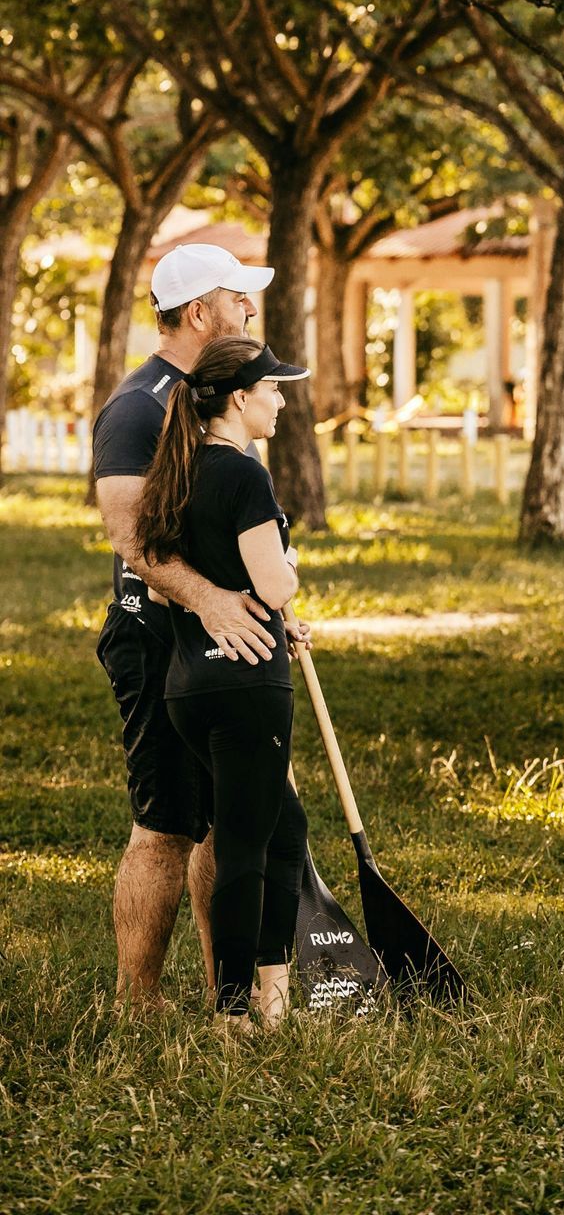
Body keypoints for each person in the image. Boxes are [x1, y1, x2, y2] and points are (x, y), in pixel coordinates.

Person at [91, 243, 278, 1009]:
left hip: (218, 640)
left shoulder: (212, 397)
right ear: (199, 312)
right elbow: (131, 539)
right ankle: (138, 1002)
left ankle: (222, 991)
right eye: (240, 300)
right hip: (157, 639)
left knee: (223, 824)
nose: (250, 313)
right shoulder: (138, 406)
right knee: (165, 824)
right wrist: (209, 601)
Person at [133, 334, 314, 1027]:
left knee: (283, 830)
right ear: (240, 397)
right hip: (247, 686)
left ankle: (273, 997)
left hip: (190, 686)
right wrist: (288, 569)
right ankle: (235, 1013)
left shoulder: (176, 473)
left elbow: (157, 592)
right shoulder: (245, 475)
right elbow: (272, 580)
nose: (281, 400)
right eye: (272, 389)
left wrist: (256, 609)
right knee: (244, 843)